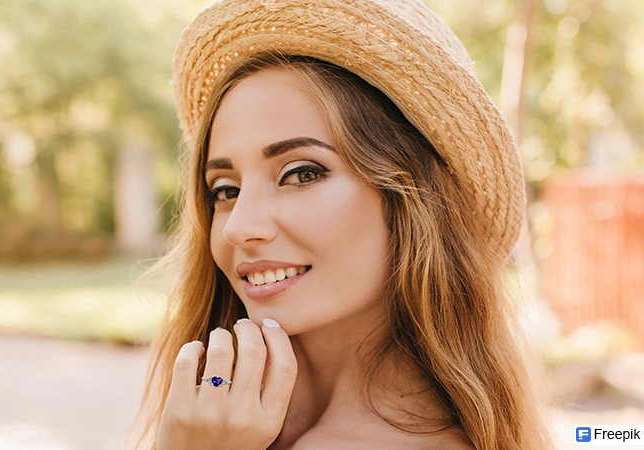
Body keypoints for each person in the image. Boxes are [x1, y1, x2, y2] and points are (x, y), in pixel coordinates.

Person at [128, 1, 553, 449]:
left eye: (301, 174)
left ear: (412, 197)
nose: (239, 226)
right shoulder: (222, 420)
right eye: (225, 190)